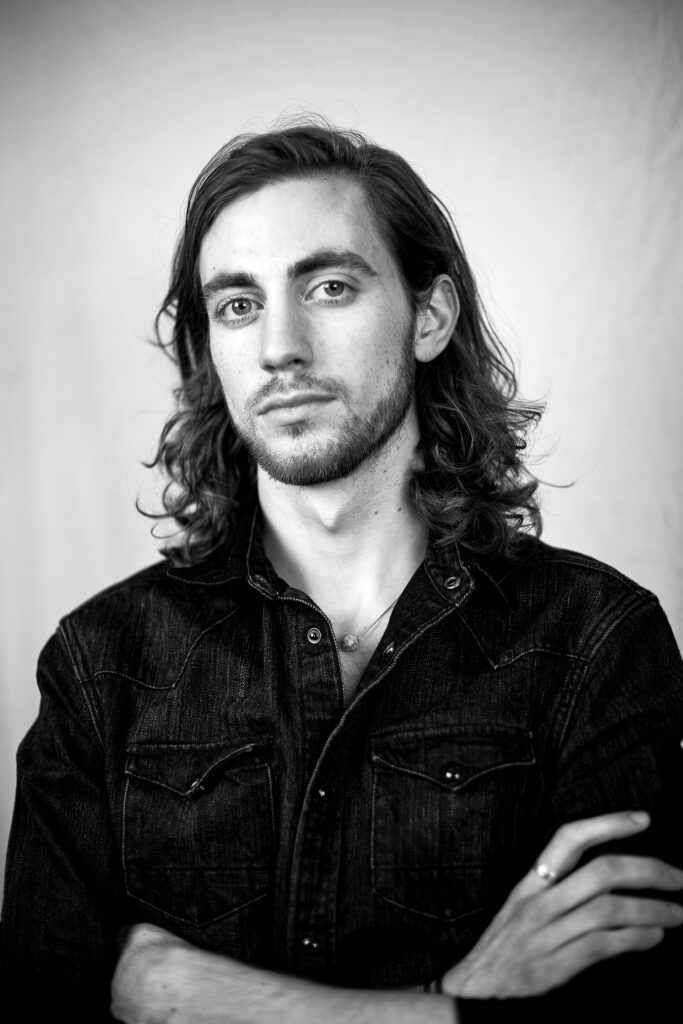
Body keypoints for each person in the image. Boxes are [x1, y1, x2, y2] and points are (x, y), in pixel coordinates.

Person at [1, 121, 682, 1024]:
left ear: (428, 316)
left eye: (328, 287)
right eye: (238, 304)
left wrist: (190, 997)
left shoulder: (595, 639)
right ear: (211, 348)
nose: (280, 346)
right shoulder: (100, 664)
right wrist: (460, 1006)